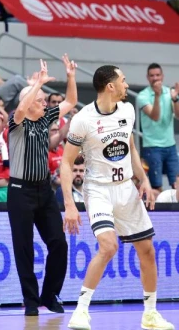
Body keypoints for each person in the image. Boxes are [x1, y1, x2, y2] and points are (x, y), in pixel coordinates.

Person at [62, 65, 174, 330]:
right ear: (110, 86)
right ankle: (81, 311)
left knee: (147, 250)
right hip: (98, 190)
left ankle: (150, 314)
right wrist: (69, 203)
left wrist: (143, 179)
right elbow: (66, 162)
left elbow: (130, 146)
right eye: (123, 80)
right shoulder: (83, 119)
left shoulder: (127, 110)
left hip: (126, 188)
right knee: (109, 246)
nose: (127, 85)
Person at [8, 57, 77, 316]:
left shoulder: (45, 118)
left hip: (44, 191)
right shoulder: (16, 122)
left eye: (44, 100)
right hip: (20, 192)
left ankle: (49, 294)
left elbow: (70, 101)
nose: (45, 103)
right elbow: (21, 108)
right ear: (28, 102)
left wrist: (70, 76)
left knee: (59, 243)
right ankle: (31, 300)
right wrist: (36, 84)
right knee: (24, 248)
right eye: (40, 100)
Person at [136, 63, 179, 201]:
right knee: (156, 187)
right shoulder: (142, 95)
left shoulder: (170, 92)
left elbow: (178, 115)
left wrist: (175, 99)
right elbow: (155, 116)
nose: (155, 78)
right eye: (152, 75)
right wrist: (157, 95)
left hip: (170, 145)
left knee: (176, 184)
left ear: (162, 76)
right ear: (147, 77)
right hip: (152, 146)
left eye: (157, 75)